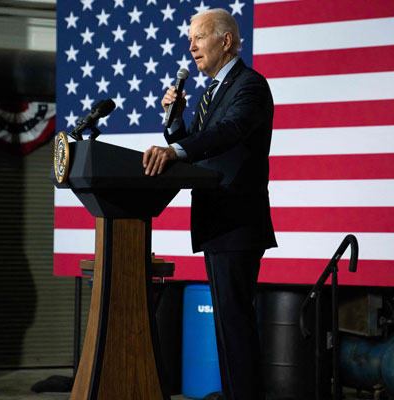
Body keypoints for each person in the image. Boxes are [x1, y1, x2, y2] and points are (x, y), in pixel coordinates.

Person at [143, 8, 277, 400]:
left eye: (198, 38)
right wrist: (177, 121)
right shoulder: (210, 93)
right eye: (190, 39)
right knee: (226, 328)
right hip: (216, 223)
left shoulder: (250, 85)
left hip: (237, 222)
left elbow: (229, 132)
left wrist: (174, 150)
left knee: (236, 326)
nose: (191, 47)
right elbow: (203, 147)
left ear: (226, 40)